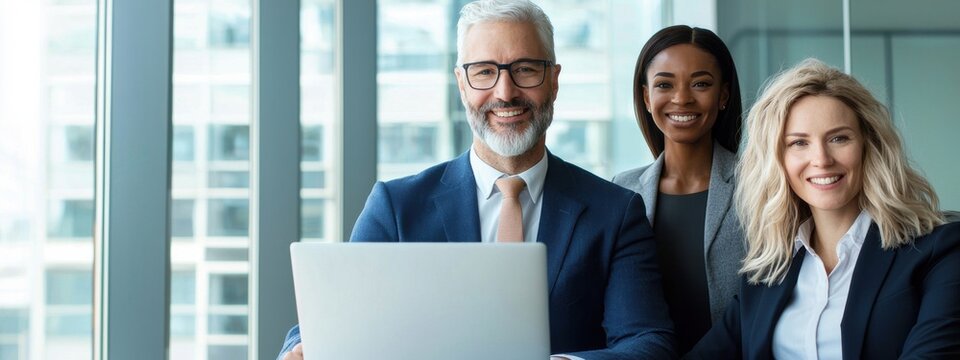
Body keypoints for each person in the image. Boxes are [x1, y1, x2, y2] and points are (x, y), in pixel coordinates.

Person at [278, 1, 676, 359]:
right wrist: (299, 350)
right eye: (485, 71)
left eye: (524, 70)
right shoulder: (396, 207)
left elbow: (649, 343)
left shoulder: (614, 212)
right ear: (461, 84)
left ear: (553, 80)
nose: (505, 92)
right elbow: (332, 323)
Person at [685, 58, 960, 359]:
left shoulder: (940, 250)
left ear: (870, 145)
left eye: (839, 138)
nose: (822, 159)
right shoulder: (767, 273)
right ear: (778, 161)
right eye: (799, 143)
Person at [611, 25, 745, 353]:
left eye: (700, 83)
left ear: (723, 95)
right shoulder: (622, 190)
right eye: (664, 84)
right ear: (646, 96)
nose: (682, 98)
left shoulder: (757, 184)